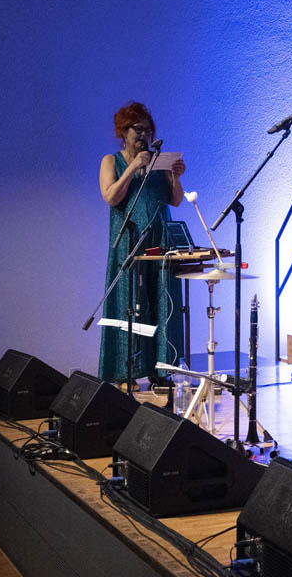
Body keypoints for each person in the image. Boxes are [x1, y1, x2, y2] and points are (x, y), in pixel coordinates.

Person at [98, 101, 187, 388]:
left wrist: (175, 177)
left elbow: (175, 200)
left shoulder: (157, 162)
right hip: (129, 244)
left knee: (161, 302)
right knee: (130, 305)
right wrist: (132, 168)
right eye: (138, 129)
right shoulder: (111, 161)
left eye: (148, 130)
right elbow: (111, 197)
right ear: (123, 132)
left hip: (159, 243)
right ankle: (126, 372)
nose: (144, 135)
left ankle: (161, 370)